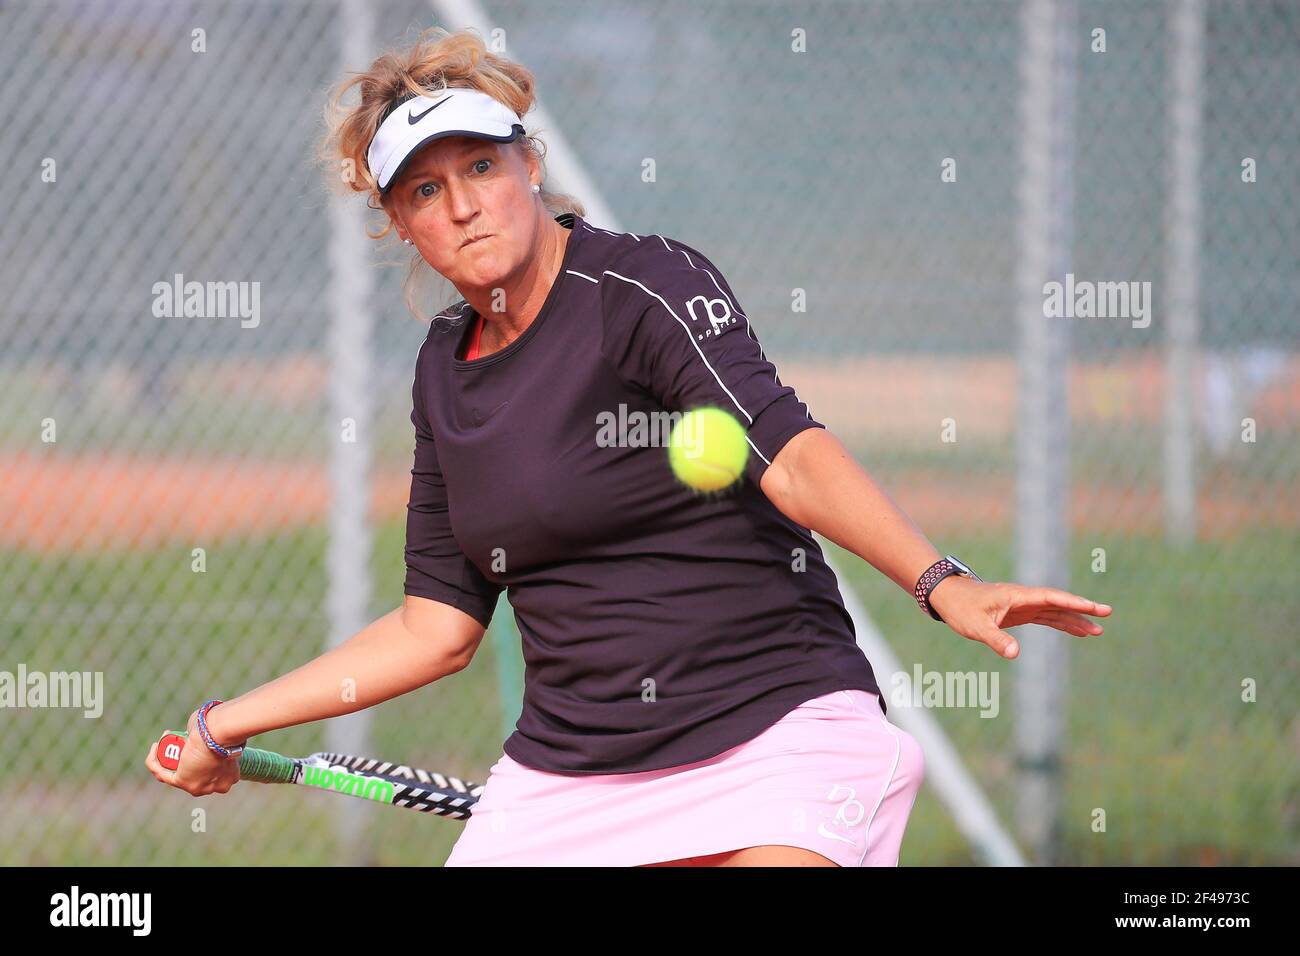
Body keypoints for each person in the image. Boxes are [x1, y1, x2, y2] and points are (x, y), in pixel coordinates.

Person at [145, 27, 1112, 867]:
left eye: (481, 166)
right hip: (568, 778)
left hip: (776, 734)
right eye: (427, 190)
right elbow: (435, 627)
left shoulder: (642, 287)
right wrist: (223, 723)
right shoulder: (445, 370)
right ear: (401, 223)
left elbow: (789, 451)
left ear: (528, 164)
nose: (464, 205)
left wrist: (942, 582)